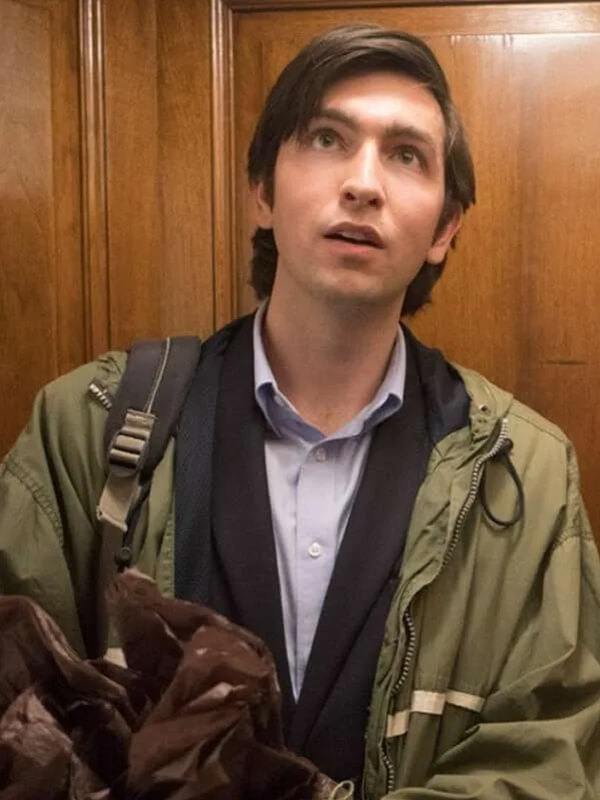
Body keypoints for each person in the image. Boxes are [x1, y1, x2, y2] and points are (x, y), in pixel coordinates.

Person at [1, 23, 600, 798]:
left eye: (406, 155)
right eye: (326, 138)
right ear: (263, 189)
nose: (363, 183)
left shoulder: (525, 471)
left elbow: (553, 756)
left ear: (444, 228)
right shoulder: (88, 425)